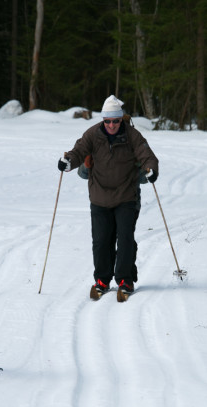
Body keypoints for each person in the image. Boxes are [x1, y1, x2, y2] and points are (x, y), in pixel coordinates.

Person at [58, 95, 159, 299]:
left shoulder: (132, 135)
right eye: (107, 121)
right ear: (103, 120)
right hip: (99, 197)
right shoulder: (93, 134)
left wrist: (151, 169)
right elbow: (78, 151)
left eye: (115, 121)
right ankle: (102, 280)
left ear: (121, 119)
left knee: (125, 240)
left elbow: (147, 154)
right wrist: (68, 161)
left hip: (126, 197)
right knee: (101, 241)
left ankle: (125, 280)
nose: (111, 125)